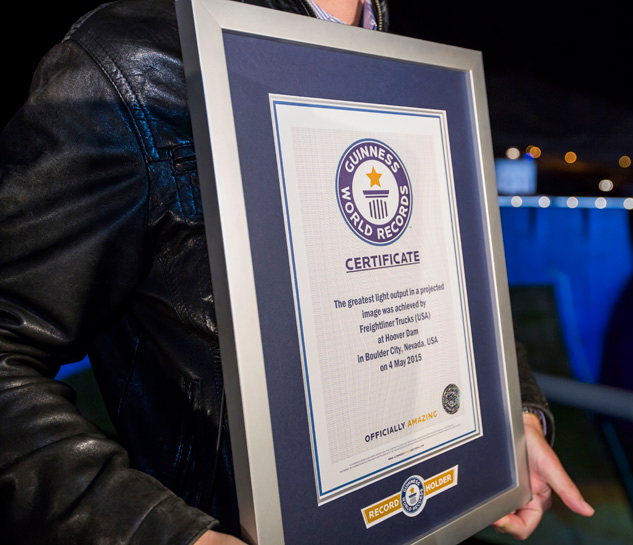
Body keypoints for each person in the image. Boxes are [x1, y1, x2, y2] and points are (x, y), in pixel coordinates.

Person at [0, 0, 593, 543]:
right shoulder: (134, 64)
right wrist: (166, 534)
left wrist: (509, 414)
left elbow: (445, 275)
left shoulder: (404, 65)